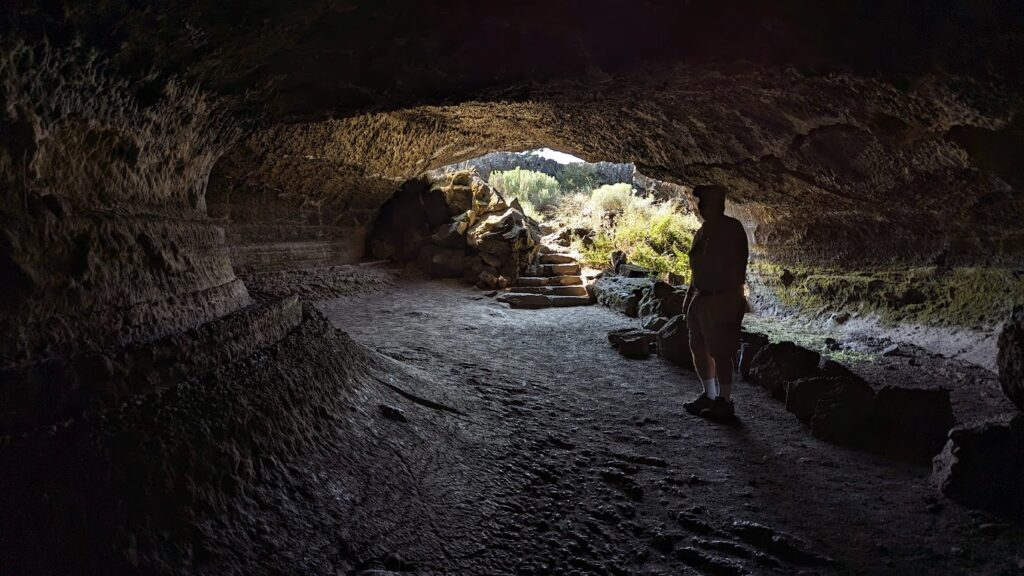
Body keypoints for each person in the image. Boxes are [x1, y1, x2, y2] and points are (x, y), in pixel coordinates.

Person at [681, 184, 749, 420]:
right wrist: (689, 296)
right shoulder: (703, 231)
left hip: (723, 298)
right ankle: (709, 395)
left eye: (704, 202)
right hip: (701, 298)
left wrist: (735, 302)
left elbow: (738, 266)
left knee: (720, 350)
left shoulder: (732, 229)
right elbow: (697, 267)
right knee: (698, 347)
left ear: (718, 203)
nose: (700, 207)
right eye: (700, 202)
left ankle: (725, 401)